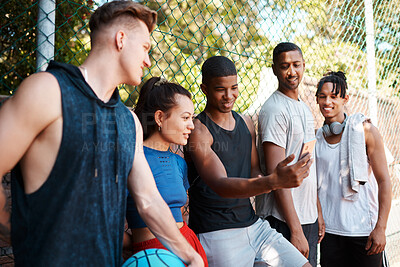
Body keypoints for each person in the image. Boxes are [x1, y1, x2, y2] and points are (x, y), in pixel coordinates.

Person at [0, 1, 203, 266]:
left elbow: (149, 200)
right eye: (144, 48)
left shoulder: (128, 120)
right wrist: (17, 233)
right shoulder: (47, 91)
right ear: (121, 39)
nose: (148, 60)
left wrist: (191, 256)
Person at [186, 55, 313, 267]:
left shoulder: (245, 122)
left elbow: (254, 169)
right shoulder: (199, 131)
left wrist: (270, 178)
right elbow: (221, 184)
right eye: (220, 89)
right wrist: (273, 182)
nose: (229, 96)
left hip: (253, 224)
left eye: (234, 87)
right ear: (205, 89)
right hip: (216, 231)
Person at [125, 77, 208, 266]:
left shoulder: (179, 162)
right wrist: (138, 244)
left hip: (189, 244)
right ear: (160, 118)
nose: (192, 125)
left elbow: (177, 211)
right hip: (153, 254)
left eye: (192, 118)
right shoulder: (133, 158)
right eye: (185, 118)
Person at [255, 42, 323, 267]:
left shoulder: (303, 107)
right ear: (274, 69)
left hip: (306, 217)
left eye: (296, 65)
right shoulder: (275, 110)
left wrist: (316, 212)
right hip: (283, 220)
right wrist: (295, 230)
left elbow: (306, 164)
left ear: (304, 65)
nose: (291, 71)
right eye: (284, 66)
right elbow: (278, 175)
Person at [314, 71, 391, 267]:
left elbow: (384, 182)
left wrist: (380, 228)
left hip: (364, 230)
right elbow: (313, 185)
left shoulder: (365, 131)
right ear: (316, 99)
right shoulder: (315, 139)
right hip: (330, 233)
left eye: (334, 96)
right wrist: (319, 216)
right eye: (322, 96)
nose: (327, 101)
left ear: (345, 99)